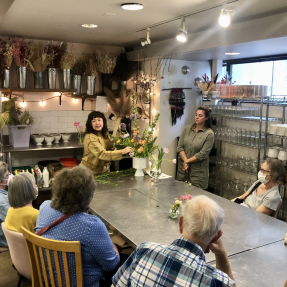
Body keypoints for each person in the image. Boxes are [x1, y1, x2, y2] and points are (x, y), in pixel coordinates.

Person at [112, 195, 235, 287]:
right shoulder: (218, 281)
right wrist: (221, 254)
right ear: (217, 236)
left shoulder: (144, 250)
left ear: (180, 223)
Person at [35, 166, 120, 287]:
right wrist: (115, 247)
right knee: (126, 260)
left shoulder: (44, 207)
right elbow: (111, 264)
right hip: (86, 283)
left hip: (49, 281)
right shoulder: (92, 226)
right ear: (87, 196)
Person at [177, 106, 214, 189]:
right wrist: (186, 161)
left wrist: (186, 162)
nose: (197, 117)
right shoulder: (187, 129)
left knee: (195, 199)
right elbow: (180, 147)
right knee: (179, 197)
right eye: (196, 115)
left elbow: (202, 154)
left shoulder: (209, 134)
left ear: (206, 118)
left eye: (200, 116)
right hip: (183, 172)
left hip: (197, 175)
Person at [0, 162, 10, 247]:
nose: (9, 177)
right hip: (5, 242)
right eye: (7, 175)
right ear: (1, 181)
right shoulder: (3, 202)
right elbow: (14, 222)